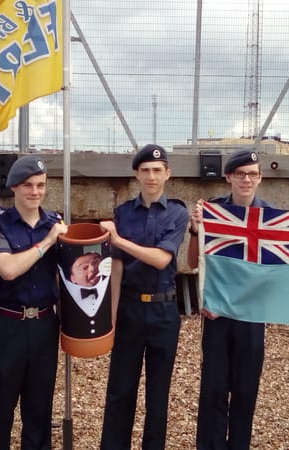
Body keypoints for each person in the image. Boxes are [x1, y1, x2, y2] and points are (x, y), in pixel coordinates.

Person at [99, 144, 189, 450]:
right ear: (137, 174)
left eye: (157, 170)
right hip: (130, 309)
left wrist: (120, 240)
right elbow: (118, 266)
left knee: (158, 395)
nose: (151, 176)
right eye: (145, 170)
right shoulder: (123, 213)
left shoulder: (177, 212)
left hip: (164, 311)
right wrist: (110, 318)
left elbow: (163, 259)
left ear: (167, 174)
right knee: (120, 391)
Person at [0, 156, 68, 450]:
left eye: (41, 185)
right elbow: (7, 269)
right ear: (14, 188)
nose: (35, 192)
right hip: (8, 324)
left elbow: (71, 275)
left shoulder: (54, 222)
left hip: (44, 323)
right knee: (1, 407)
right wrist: (47, 243)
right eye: (28, 185)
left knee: (39, 408)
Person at [187, 149, 272, 450]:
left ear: (260, 178)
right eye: (240, 174)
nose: (246, 180)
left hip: (251, 315)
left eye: (252, 174)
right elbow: (193, 262)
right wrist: (197, 230)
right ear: (229, 177)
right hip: (217, 315)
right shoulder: (212, 211)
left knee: (246, 389)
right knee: (213, 388)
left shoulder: (272, 219)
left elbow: (276, 274)